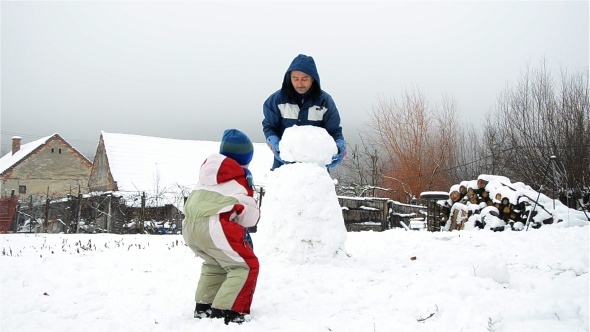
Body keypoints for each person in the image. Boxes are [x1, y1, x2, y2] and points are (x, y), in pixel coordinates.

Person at [182, 129, 260, 325]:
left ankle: (203, 306)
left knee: (215, 264)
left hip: (190, 228)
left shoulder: (206, 176)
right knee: (245, 266)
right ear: (245, 158)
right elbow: (250, 219)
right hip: (215, 228)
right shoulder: (239, 179)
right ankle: (229, 312)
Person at [262, 54, 346, 170]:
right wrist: (274, 143)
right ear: (289, 78)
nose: (299, 84)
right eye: (295, 79)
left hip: (315, 167)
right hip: (284, 164)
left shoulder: (325, 102)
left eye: (304, 79)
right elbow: (269, 126)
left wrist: (340, 146)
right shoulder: (276, 100)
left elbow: (334, 130)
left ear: (313, 78)